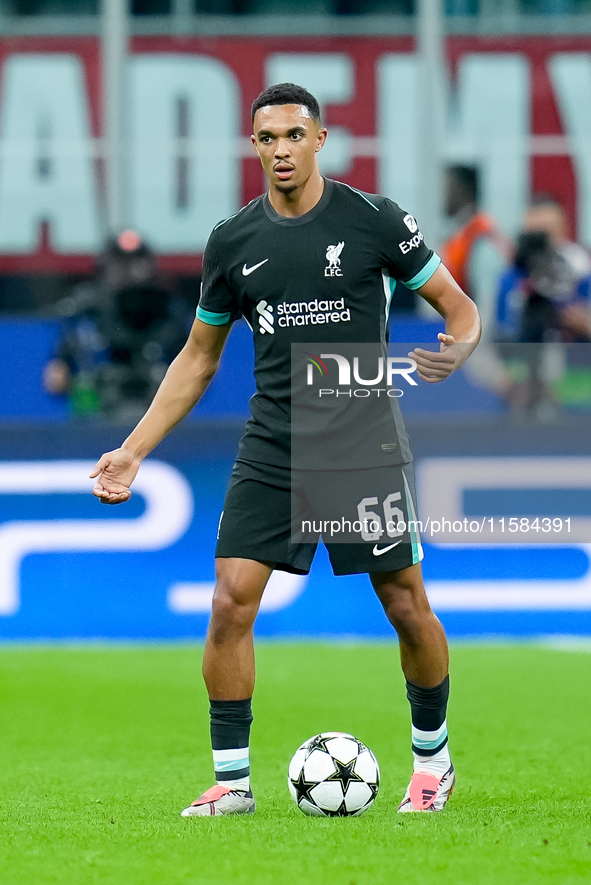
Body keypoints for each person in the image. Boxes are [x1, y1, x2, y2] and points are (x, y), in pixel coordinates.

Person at [91, 83, 481, 816]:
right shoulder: (233, 240)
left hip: (361, 443)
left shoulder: (374, 221)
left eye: (292, 136)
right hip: (273, 442)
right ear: (254, 146)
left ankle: (432, 762)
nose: (279, 150)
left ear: (320, 139)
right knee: (230, 602)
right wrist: (134, 449)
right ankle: (233, 782)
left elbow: (460, 311)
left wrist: (455, 350)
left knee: (404, 604)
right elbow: (197, 358)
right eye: (266, 138)